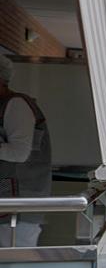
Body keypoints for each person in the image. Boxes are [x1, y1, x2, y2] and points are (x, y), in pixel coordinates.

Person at [0, 53, 52, 249]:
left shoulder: (16, 105)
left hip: (18, 205)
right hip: (9, 202)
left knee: (13, 259)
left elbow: (19, 153)